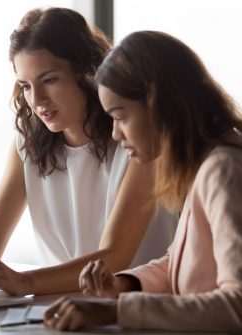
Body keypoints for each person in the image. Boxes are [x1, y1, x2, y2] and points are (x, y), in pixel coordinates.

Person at [0, 9, 176, 296]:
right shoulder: (28, 142)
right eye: (25, 86)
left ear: (87, 73)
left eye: (49, 80)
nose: (37, 100)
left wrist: (22, 282)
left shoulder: (136, 140)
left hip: (133, 309)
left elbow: (114, 258)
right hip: (58, 307)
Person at [44, 30, 242, 332]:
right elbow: (178, 259)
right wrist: (122, 285)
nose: (115, 133)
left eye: (120, 116)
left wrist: (116, 312)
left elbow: (237, 305)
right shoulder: (205, 163)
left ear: (161, 106)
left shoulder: (223, 171)